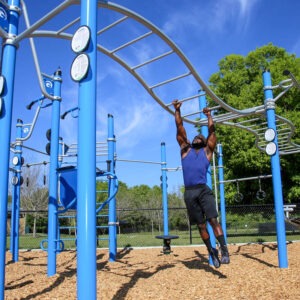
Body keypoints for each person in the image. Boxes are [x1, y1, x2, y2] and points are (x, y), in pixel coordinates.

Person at [173, 99, 230, 268]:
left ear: (205, 142)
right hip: (189, 192)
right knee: (200, 225)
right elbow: (179, 128)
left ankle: (224, 250)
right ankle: (211, 250)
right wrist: (177, 111)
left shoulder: (207, 151)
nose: (197, 137)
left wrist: (209, 116)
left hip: (203, 190)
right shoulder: (185, 149)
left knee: (213, 220)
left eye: (200, 136)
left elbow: (212, 133)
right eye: (196, 136)